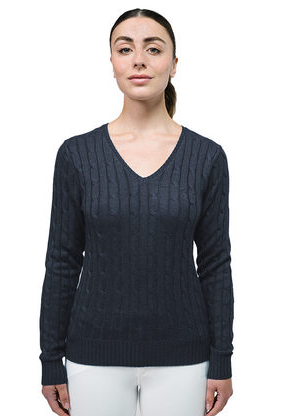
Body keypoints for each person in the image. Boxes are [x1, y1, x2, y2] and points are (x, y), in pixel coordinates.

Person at [40, 8, 234, 416]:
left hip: (185, 358)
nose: (139, 60)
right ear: (112, 62)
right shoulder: (76, 155)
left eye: (153, 49)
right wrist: (50, 360)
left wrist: (222, 358)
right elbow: (61, 261)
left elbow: (216, 264)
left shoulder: (207, 157)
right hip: (92, 357)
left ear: (174, 64)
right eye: (125, 49)